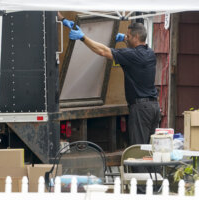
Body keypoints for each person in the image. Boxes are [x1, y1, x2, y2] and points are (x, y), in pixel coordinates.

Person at [58, 13, 160, 145]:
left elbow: (103, 51)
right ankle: (154, 167)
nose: (126, 38)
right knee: (150, 150)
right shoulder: (150, 53)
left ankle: (140, 167)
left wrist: (82, 37)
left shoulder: (131, 55)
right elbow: (135, 44)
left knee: (139, 150)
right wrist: (123, 38)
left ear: (135, 37)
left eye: (128, 36)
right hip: (153, 107)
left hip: (140, 109)